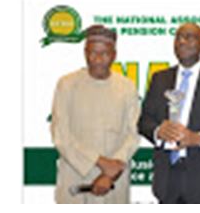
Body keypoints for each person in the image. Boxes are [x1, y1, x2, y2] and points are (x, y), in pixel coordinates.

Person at [138, 23, 200, 203]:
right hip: (167, 180)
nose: (182, 42)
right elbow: (144, 121)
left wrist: (198, 138)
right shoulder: (160, 78)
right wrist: (158, 131)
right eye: (178, 37)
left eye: (190, 36)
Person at [50, 25, 140, 203]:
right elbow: (60, 135)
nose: (98, 59)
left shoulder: (127, 86)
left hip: (113, 179)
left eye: (105, 53)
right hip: (75, 176)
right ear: (85, 53)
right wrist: (99, 162)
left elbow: (133, 134)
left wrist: (110, 173)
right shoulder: (67, 84)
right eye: (92, 53)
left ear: (114, 54)